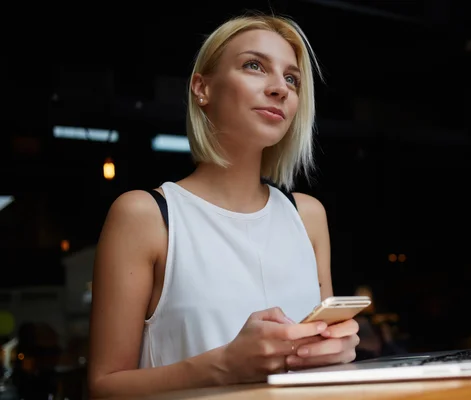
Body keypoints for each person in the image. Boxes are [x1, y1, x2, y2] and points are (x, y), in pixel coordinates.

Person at [87, 14, 360, 397]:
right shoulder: (145, 216)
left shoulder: (308, 216)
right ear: (202, 87)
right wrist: (225, 366)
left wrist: (335, 353)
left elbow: (319, 363)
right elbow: (103, 389)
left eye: (292, 79)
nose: (280, 88)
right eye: (254, 65)